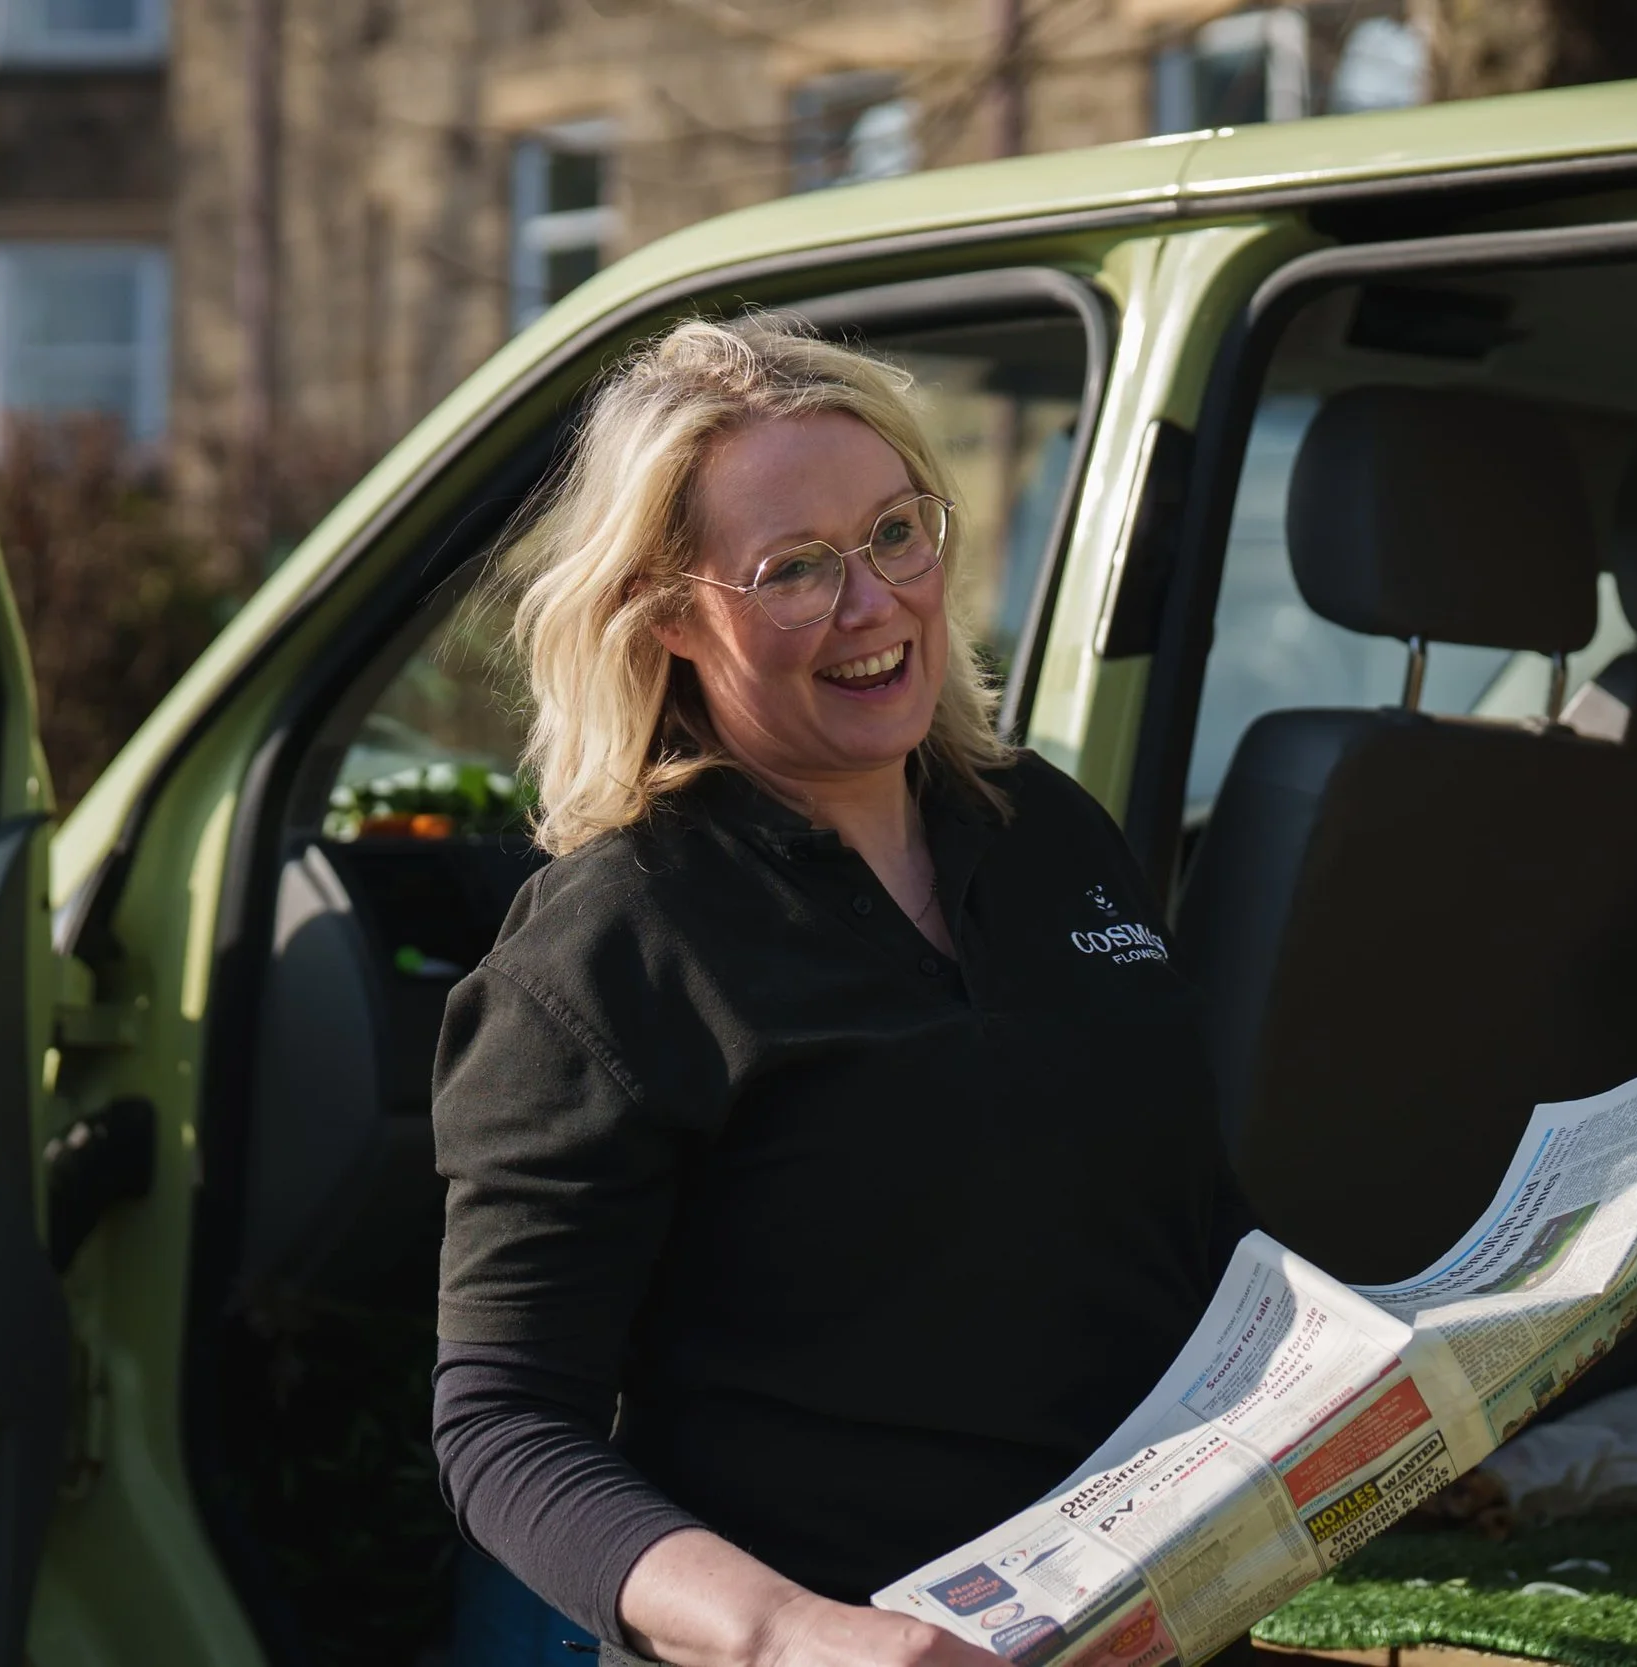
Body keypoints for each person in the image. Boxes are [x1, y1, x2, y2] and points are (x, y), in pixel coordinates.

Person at [431, 315, 1251, 1667]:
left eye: (895, 534)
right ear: (669, 613)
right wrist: (790, 1634)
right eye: (794, 568)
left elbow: (1187, 1219)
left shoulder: (1048, 830)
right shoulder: (609, 947)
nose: (873, 604)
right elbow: (505, 1428)